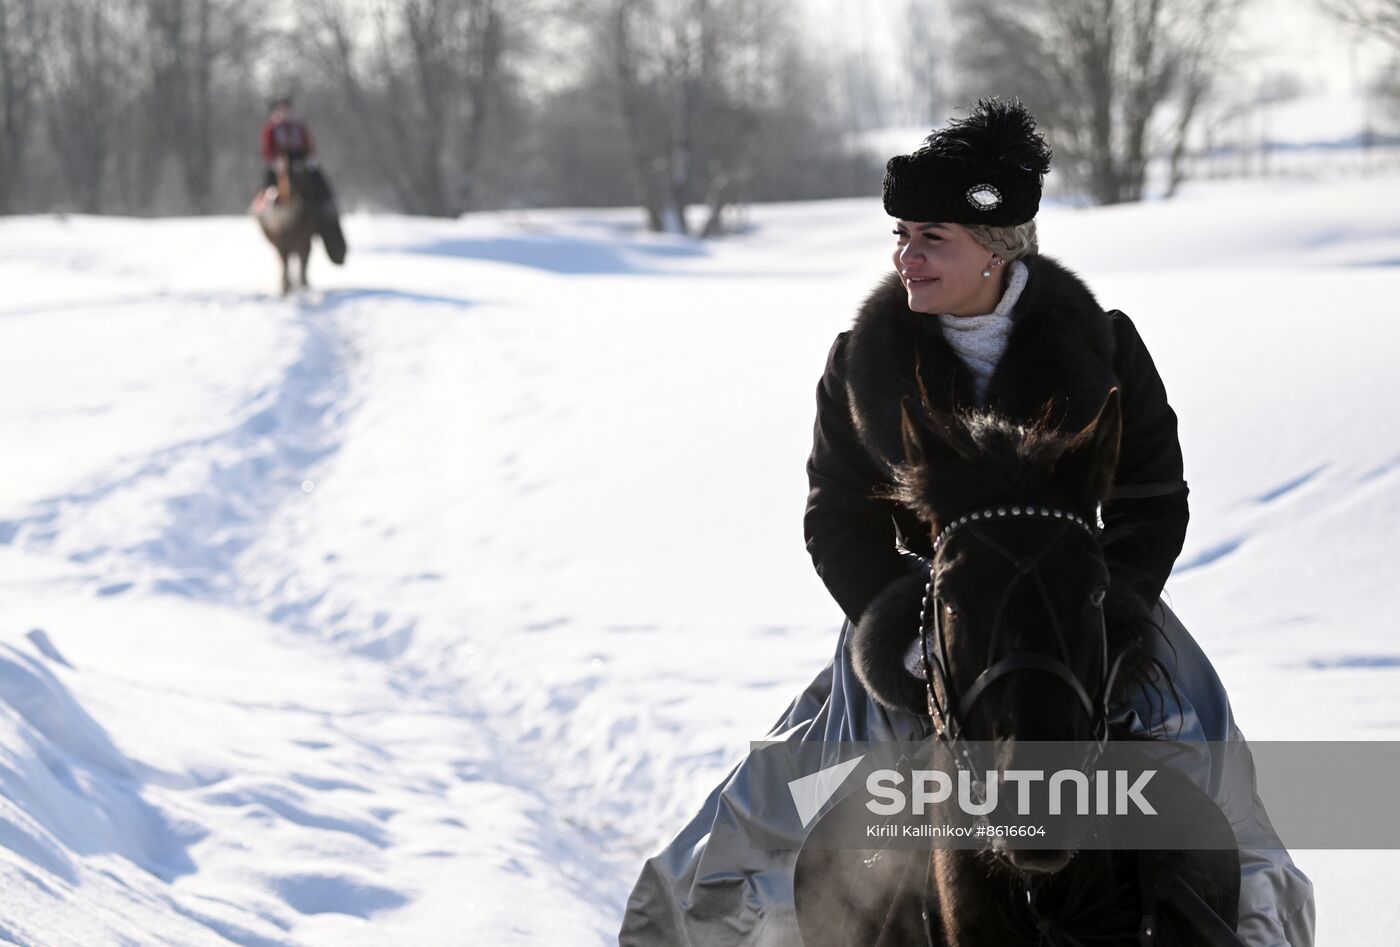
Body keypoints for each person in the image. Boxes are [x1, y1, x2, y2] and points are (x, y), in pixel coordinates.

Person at [619, 99, 1315, 946]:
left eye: (929, 238)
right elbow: (836, 515)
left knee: (1205, 755)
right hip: (925, 613)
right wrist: (897, 627)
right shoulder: (856, 361)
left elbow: (1151, 500)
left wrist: (1107, 608)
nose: (905, 258)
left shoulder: (1107, 347)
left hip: (1081, 606)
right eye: (899, 237)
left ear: (996, 247)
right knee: (789, 789)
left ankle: (1256, 927)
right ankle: (700, 921)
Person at [260, 96, 316, 192]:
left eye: (286, 108)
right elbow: (267, 148)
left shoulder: (298, 126)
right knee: (270, 180)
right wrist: (274, 161)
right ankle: (266, 200)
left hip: (298, 156)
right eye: (281, 109)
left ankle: (325, 201)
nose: (284, 112)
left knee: (315, 175)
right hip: (280, 157)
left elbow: (307, 143)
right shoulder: (271, 128)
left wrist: (310, 157)